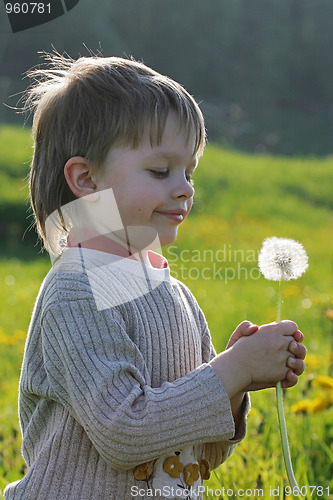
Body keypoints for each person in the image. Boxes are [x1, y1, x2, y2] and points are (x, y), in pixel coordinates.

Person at [4, 53, 306, 500]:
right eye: (161, 171)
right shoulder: (76, 290)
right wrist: (230, 370)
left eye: (189, 172)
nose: (185, 187)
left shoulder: (176, 295)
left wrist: (237, 385)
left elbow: (197, 454)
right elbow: (124, 433)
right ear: (86, 180)